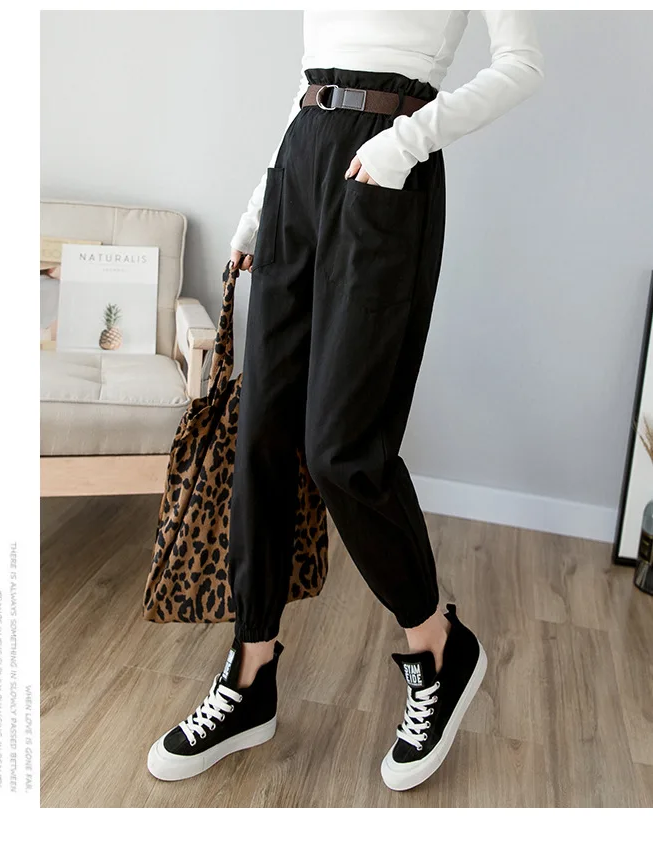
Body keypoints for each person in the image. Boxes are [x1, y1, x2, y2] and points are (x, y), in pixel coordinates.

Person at [148, 10, 544, 791]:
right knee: (262, 432)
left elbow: (523, 65)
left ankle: (438, 645)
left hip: (387, 169)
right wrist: (259, 207)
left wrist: (406, 141)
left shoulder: (401, 146)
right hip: (298, 168)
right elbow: (311, 84)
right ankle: (250, 675)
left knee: (342, 450)